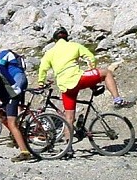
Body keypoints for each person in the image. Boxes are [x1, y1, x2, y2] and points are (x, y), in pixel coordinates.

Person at [36, 27, 131, 158]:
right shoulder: (74, 45)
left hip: (65, 86)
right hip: (78, 78)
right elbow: (90, 57)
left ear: (55, 40)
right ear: (66, 37)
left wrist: (41, 83)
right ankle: (117, 99)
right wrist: (92, 69)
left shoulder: (50, 52)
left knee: (68, 118)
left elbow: (42, 69)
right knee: (106, 73)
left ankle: (68, 148)